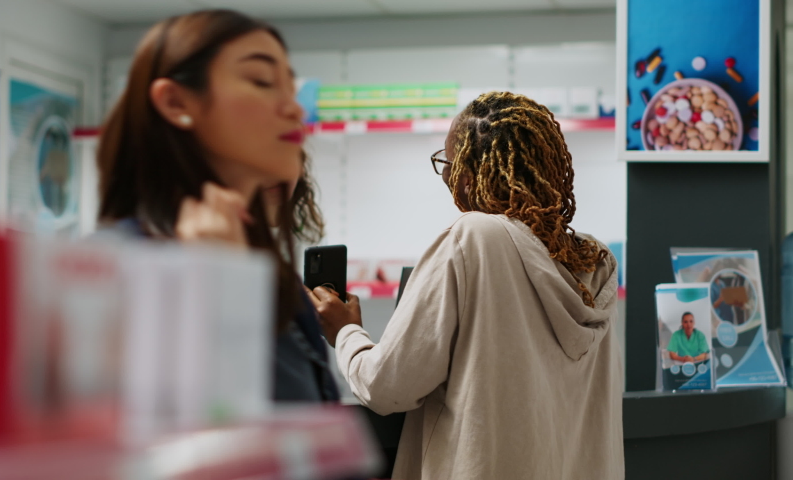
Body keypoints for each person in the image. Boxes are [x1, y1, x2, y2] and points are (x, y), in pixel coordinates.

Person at [308, 92, 624, 479]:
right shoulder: (597, 261)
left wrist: (345, 332)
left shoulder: (473, 237)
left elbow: (387, 386)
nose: (445, 176)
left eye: (447, 162)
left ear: (470, 174)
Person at [96, 9, 338, 402]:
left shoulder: (278, 282)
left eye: (291, 89)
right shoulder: (113, 269)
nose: (294, 109)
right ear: (176, 102)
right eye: (261, 81)